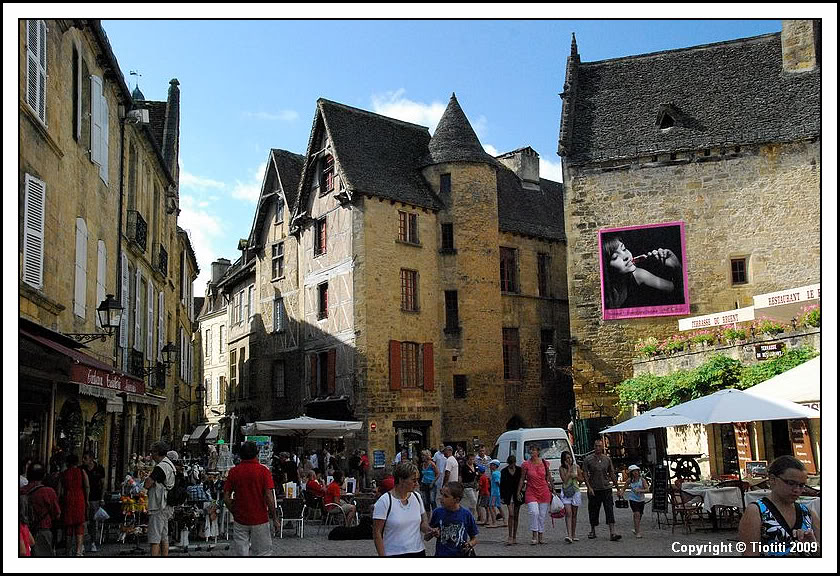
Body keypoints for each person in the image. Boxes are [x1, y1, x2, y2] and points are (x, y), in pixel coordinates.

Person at [738, 455, 821, 557]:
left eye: (801, 485)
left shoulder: (807, 513)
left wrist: (814, 547)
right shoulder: (757, 511)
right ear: (773, 479)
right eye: (791, 483)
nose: (797, 490)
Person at [224, 441, 281, 556]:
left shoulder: (234, 472)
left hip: (240, 518)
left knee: (241, 553)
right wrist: (274, 517)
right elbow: (269, 497)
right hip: (260, 518)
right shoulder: (264, 471)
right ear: (257, 453)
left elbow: (226, 497)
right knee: (262, 553)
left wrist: (234, 511)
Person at [601, 235, 683, 309]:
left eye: (624, 249)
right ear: (605, 267)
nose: (626, 256)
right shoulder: (604, 297)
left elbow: (677, 290)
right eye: (615, 257)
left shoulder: (638, 275)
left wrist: (676, 266)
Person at [373, 461, 432, 557]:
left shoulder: (417, 497)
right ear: (401, 480)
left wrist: (430, 530)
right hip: (394, 553)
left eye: (417, 480)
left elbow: (422, 523)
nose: (416, 484)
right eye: (413, 480)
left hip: (418, 551)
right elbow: (377, 533)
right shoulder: (385, 501)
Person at [582, 438, 622, 541]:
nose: (598, 448)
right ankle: (592, 530)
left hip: (606, 488)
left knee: (609, 509)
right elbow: (585, 474)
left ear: (603, 447)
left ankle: (612, 532)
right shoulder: (588, 460)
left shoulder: (607, 459)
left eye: (600, 446)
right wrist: (589, 487)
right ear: (594, 447)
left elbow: (612, 473)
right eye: (596, 446)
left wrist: (618, 488)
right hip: (594, 489)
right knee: (593, 510)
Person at [426, 481, 479, 557]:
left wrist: (469, 544)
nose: (441, 498)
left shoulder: (466, 514)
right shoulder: (437, 512)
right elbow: (426, 537)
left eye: (446, 496)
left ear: (456, 500)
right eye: (442, 495)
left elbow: (474, 539)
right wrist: (432, 532)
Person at [144, 441, 176, 557]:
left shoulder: (160, 467)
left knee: (155, 538)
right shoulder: (170, 464)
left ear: (157, 452)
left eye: (152, 452)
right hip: (166, 505)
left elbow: (147, 484)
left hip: (158, 505)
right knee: (164, 537)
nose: (151, 455)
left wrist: (147, 481)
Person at [22, 462, 61, 557]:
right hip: (43, 531)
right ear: (43, 476)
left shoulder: (22, 491)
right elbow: (57, 514)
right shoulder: (49, 492)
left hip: (24, 532)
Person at [517, 444, 553, 545]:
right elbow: (522, 478)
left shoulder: (545, 463)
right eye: (530, 450)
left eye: (534, 450)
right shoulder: (526, 465)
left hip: (544, 491)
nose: (532, 452)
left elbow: (548, 477)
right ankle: (534, 534)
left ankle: (541, 536)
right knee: (534, 512)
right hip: (531, 491)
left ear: (538, 452)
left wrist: (552, 488)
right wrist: (518, 491)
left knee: (542, 515)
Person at [58, 453, 88, 556]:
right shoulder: (81, 471)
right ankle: (79, 550)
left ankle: (68, 550)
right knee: (79, 524)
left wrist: (60, 500)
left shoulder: (64, 474)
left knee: (68, 525)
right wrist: (87, 499)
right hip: (79, 498)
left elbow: (59, 490)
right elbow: (87, 486)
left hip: (68, 498)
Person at [82, 451, 105, 553]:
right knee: (82, 521)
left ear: (91, 459)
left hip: (95, 498)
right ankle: (81, 543)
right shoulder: (81, 469)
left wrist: (102, 498)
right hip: (83, 498)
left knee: (93, 522)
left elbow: (102, 484)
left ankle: (93, 542)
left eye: (85, 458)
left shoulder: (99, 469)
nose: (83, 460)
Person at [558, 451, 583, 543]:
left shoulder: (577, 467)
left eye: (570, 458)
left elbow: (581, 479)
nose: (569, 460)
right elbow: (564, 480)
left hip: (575, 491)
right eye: (567, 458)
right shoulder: (561, 468)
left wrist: (576, 476)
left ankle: (573, 534)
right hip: (566, 492)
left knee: (574, 513)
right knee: (568, 513)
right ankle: (569, 535)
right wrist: (569, 470)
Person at [500, 454, 522, 546]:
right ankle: (509, 536)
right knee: (511, 514)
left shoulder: (519, 470)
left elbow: (522, 481)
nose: (512, 466)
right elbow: (502, 485)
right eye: (510, 464)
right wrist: (502, 496)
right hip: (508, 495)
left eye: (513, 464)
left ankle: (514, 536)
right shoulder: (504, 471)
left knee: (516, 515)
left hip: (517, 494)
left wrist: (520, 492)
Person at [623, 464, 649, 539]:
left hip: (641, 500)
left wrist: (640, 490)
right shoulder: (629, 480)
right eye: (633, 472)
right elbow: (624, 488)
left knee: (640, 515)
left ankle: (635, 527)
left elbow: (647, 489)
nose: (635, 473)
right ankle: (638, 532)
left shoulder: (642, 480)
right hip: (633, 499)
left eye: (636, 471)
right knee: (637, 514)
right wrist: (621, 492)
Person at [460, 452, 479, 520]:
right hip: (467, 486)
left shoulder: (475, 465)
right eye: (470, 459)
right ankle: (469, 515)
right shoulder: (464, 467)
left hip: (475, 486)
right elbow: (462, 477)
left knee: (474, 502)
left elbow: (477, 474)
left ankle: (471, 516)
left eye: (473, 459)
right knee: (473, 500)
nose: (472, 461)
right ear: (467, 460)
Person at [488, 459, 504, 529]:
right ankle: (504, 520)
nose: (490, 466)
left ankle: (494, 522)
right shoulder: (498, 472)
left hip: (494, 493)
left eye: (491, 465)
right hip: (497, 492)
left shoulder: (494, 474)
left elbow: (498, 482)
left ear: (495, 466)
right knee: (499, 506)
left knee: (491, 506)